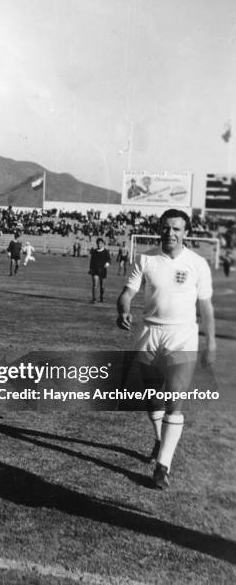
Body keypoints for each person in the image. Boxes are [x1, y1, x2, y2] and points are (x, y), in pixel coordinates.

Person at [116, 208, 216, 490]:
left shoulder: (197, 264)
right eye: (165, 228)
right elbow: (127, 293)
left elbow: (206, 306)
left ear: (186, 232)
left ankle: (163, 466)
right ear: (159, 229)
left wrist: (211, 342)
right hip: (149, 333)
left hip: (182, 336)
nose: (170, 233)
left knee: (174, 399)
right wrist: (122, 309)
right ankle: (160, 439)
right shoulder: (146, 259)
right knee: (152, 399)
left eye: (176, 229)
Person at [88, 238, 111, 303]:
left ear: (103, 244)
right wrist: (90, 268)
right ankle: (94, 298)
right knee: (95, 284)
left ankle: (101, 298)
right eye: (98, 243)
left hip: (103, 270)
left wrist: (107, 263)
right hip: (95, 270)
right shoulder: (94, 251)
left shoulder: (106, 251)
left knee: (102, 286)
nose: (99, 244)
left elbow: (109, 259)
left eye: (100, 243)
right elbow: (91, 261)